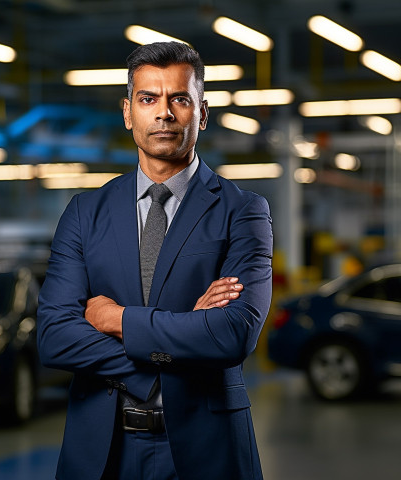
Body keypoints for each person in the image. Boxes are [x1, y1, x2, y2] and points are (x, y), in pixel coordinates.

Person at [37, 41, 273, 480]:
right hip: (101, 452)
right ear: (128, 112)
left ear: (202, 113)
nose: (163, 113)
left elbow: (231, 334)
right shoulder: (85, 213)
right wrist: (177, 343)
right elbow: (55, 338)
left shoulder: (244, 211)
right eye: (148, 99)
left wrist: (116, 318)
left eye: (179, 99)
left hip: (208, 450)